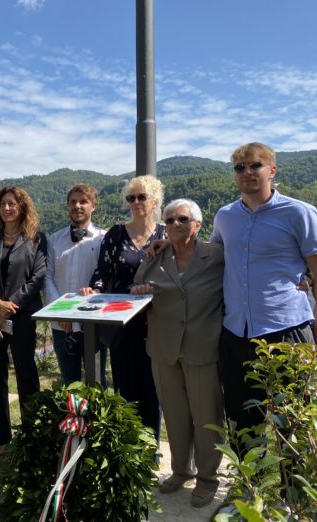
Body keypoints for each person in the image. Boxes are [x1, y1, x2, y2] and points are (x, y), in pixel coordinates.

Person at [210, 142, 317, 444]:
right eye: (240, 167)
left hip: (287, 330)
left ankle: (292, 492)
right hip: (236, 332)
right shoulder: (225, 216)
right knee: (242, 422)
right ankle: (250, 489)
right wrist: (166, 245)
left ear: (272, 170)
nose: (247, 172)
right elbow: (212, 254)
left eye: (255, 165)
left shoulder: (298, 212)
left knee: (292, 423)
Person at [131, 199, 224, 508]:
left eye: (181, 219)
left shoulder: (216, 256)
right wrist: (141, 290)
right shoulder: (156, 257)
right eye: (168, 220)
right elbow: (138, 285)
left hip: (202, 345)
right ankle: (181, 470)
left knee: (206, 416)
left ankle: (208, 479)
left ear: (197, 224)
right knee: (174, 412)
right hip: (163, 347)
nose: (173, 224)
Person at [81, 174, 165, 441]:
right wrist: (94, 290)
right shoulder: (116, 234)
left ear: (155, 201)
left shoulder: (167, 233)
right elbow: (102, 272)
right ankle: (128, 445)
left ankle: (150, 447)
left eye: (142, 197)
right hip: (122, 323)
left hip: (158, 322)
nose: (136, 202)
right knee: (125, 387)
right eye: (131, 198)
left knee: (153, 388)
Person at [0, 186, 47, 458]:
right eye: (3, 204)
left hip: (23, 317)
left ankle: (32, 437)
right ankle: (0, 439)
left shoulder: (37, 240)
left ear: (22, 207)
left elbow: (37, 278)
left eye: (12, 204)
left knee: (27, 376)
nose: (7, 208)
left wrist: (8, 307)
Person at [45, 183, 107, 386]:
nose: (77, 206)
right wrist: (61, 312)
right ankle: (72, 419)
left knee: (97, 383)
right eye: (73, 202)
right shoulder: (54, 239)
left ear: (93, 206)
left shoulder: (104, 239)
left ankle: (96, 420)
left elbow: (107, 278)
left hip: (94, 323)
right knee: (69, 383)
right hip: (62, 324)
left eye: (83, 201)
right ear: (67, 206)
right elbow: (47, 276)